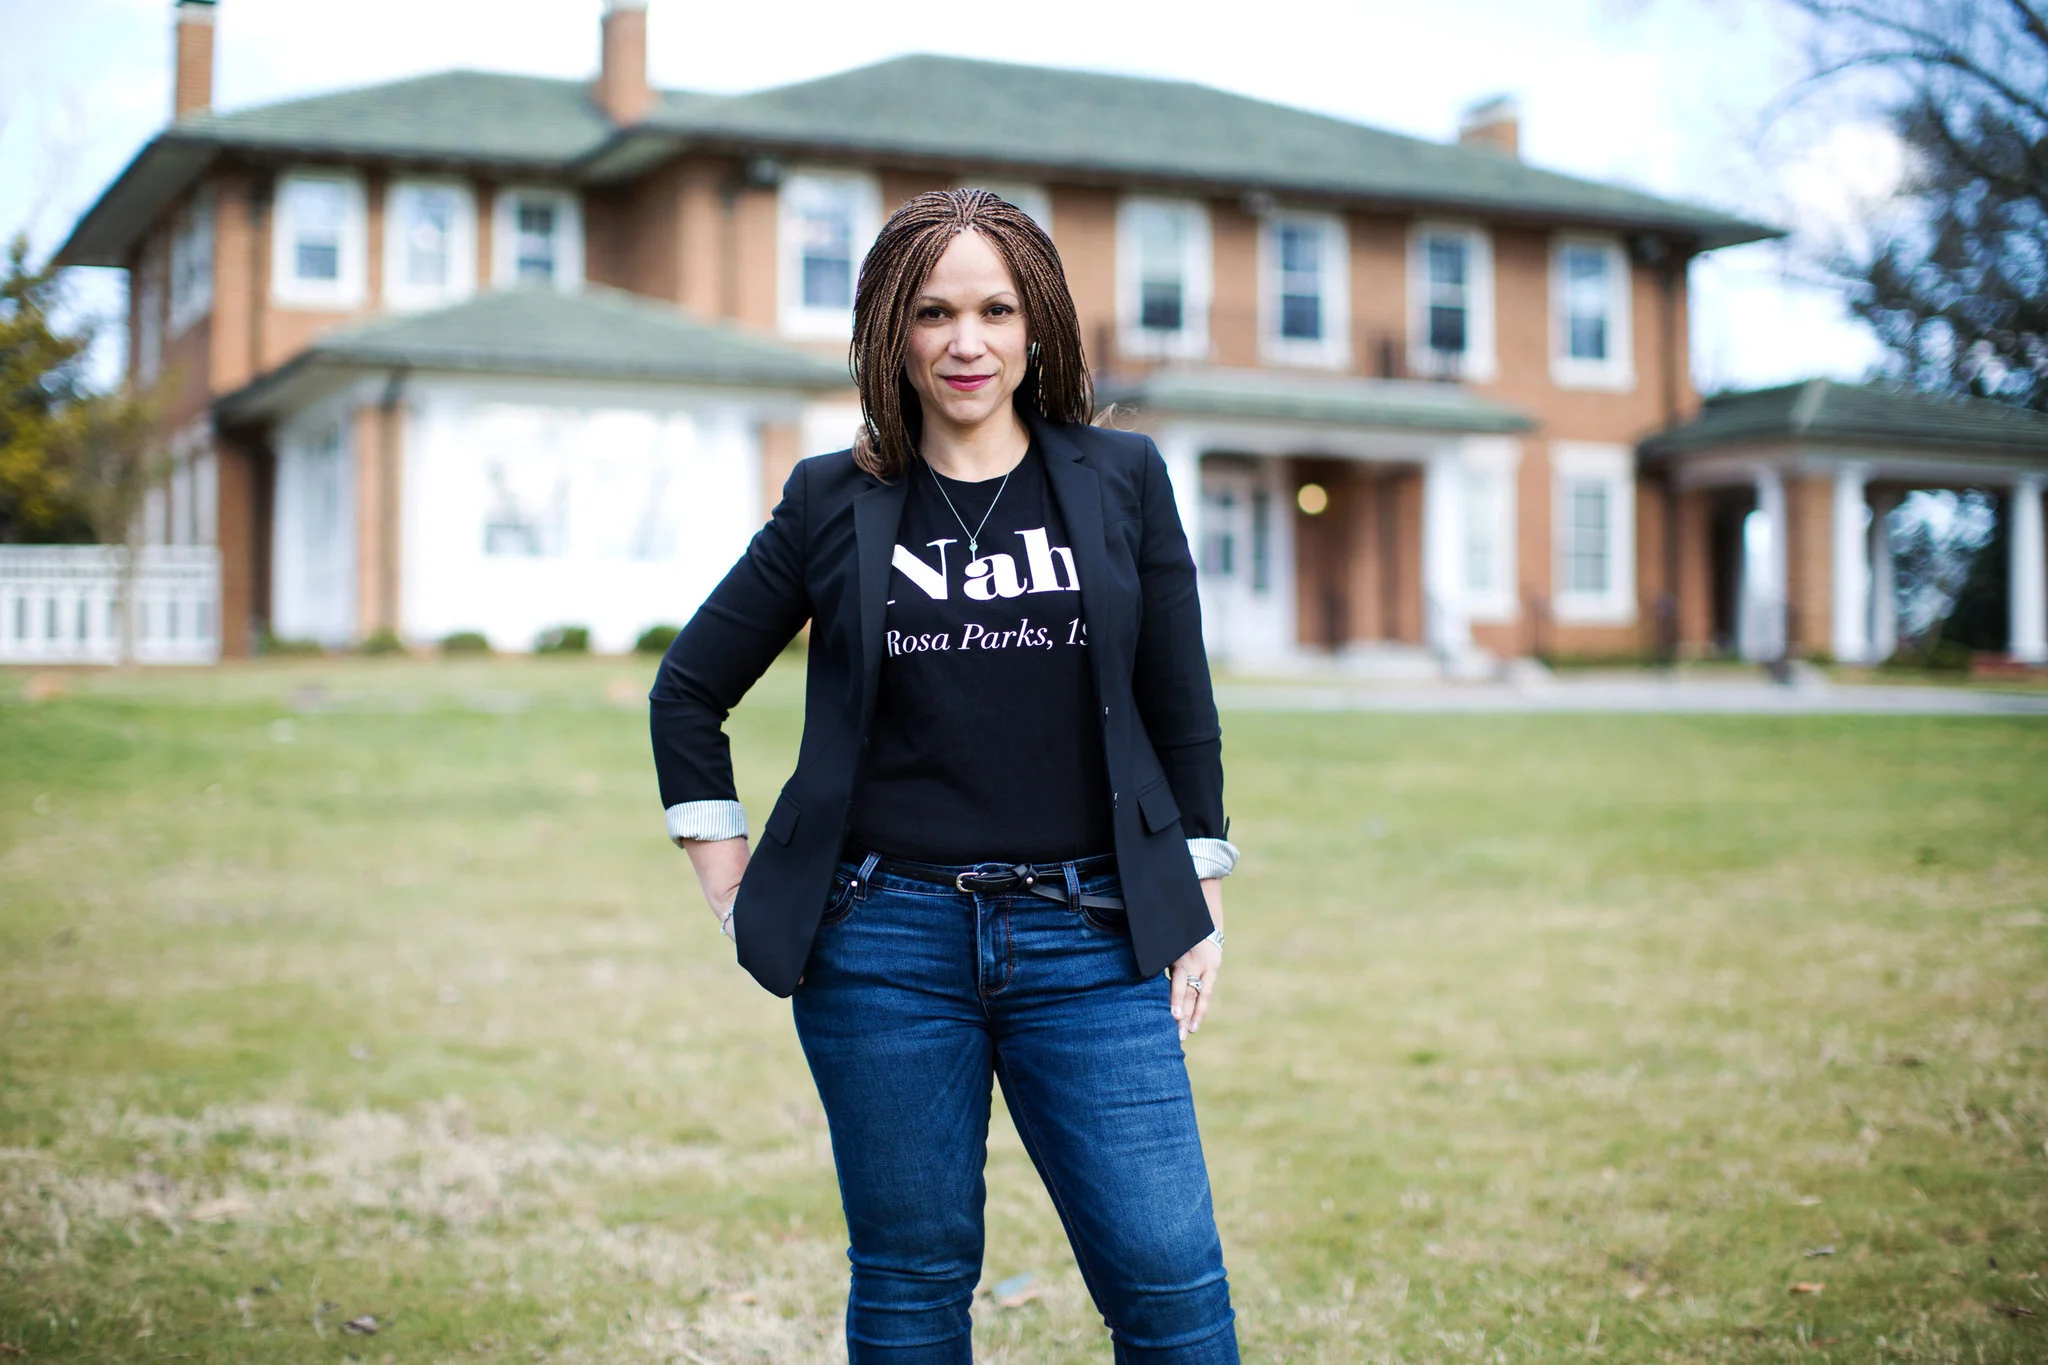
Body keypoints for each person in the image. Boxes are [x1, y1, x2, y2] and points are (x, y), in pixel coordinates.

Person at [649, 188, 1240, 1363]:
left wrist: (1201, 883)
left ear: (1036, 328)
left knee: (1171, 1287)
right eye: (932, 312)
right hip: (881, 949)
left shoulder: (1121, 479)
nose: (964, 341)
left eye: (993, 309)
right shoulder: (834, 498)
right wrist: (725, 875)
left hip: (1094, 937)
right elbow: (687, 691)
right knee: (912, 1285)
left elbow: (1180, 704)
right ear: (889, 331)